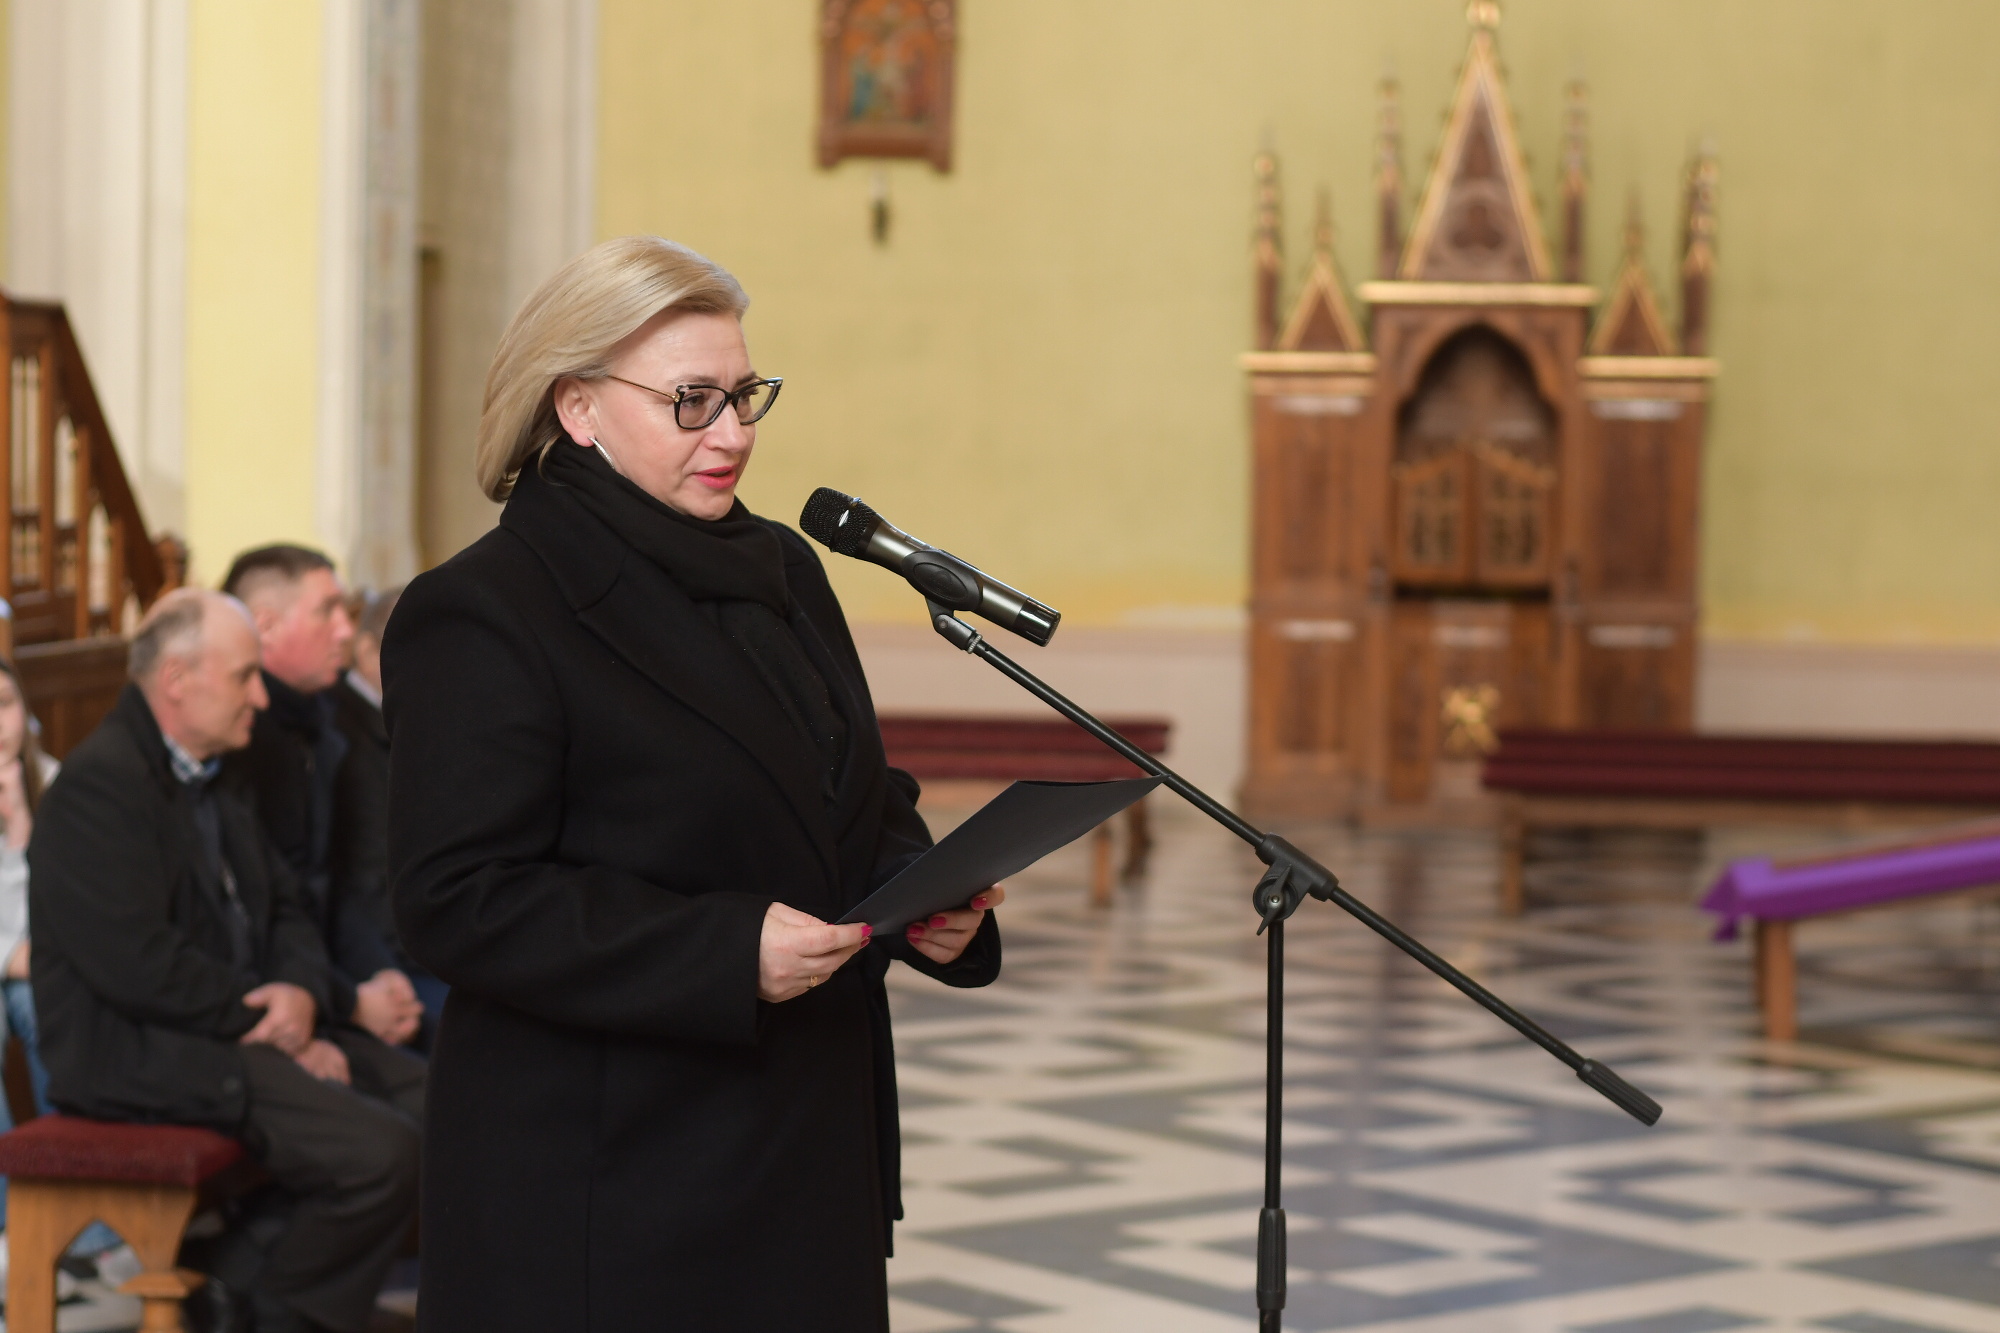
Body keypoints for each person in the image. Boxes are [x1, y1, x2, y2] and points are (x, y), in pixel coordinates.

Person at [386, 235, 1003, 1332]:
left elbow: (845, 787)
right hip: (612, 1184)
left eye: (744, 395)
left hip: (803, 1144)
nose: (733, 433)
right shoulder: (488, 607)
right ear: (578, 407)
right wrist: (722, 951)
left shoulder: (782, 568)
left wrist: (925, 898)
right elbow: (458, 899)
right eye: (692, 401)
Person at [29, 588, 424, 1333]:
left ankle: (240, 1288)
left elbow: (285, 908)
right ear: (177, 679)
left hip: (236, 1022)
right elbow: (139, 965)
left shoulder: (219, 769)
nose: (260, 696)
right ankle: (273, 1309)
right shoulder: (96, 788)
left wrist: (300, 994)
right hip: (143, 1048)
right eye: (245, 676)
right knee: (379, 1153)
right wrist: (273, 1022)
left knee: (431, 1102)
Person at [225, 548, 422, 1049]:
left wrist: (378, 972)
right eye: (327, 611)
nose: (344, 631)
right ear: (266, 626)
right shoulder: (239, 742)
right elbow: (264, 912)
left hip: (338, 975)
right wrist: (350, 1000)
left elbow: (332, 883)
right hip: (289, 997)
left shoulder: (317, 726)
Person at [330, 586, 448, 1040]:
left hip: (426, 937)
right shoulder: (338, 732)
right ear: (366, 652)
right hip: (389, 957)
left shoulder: (419, 718)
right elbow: (358, 880)